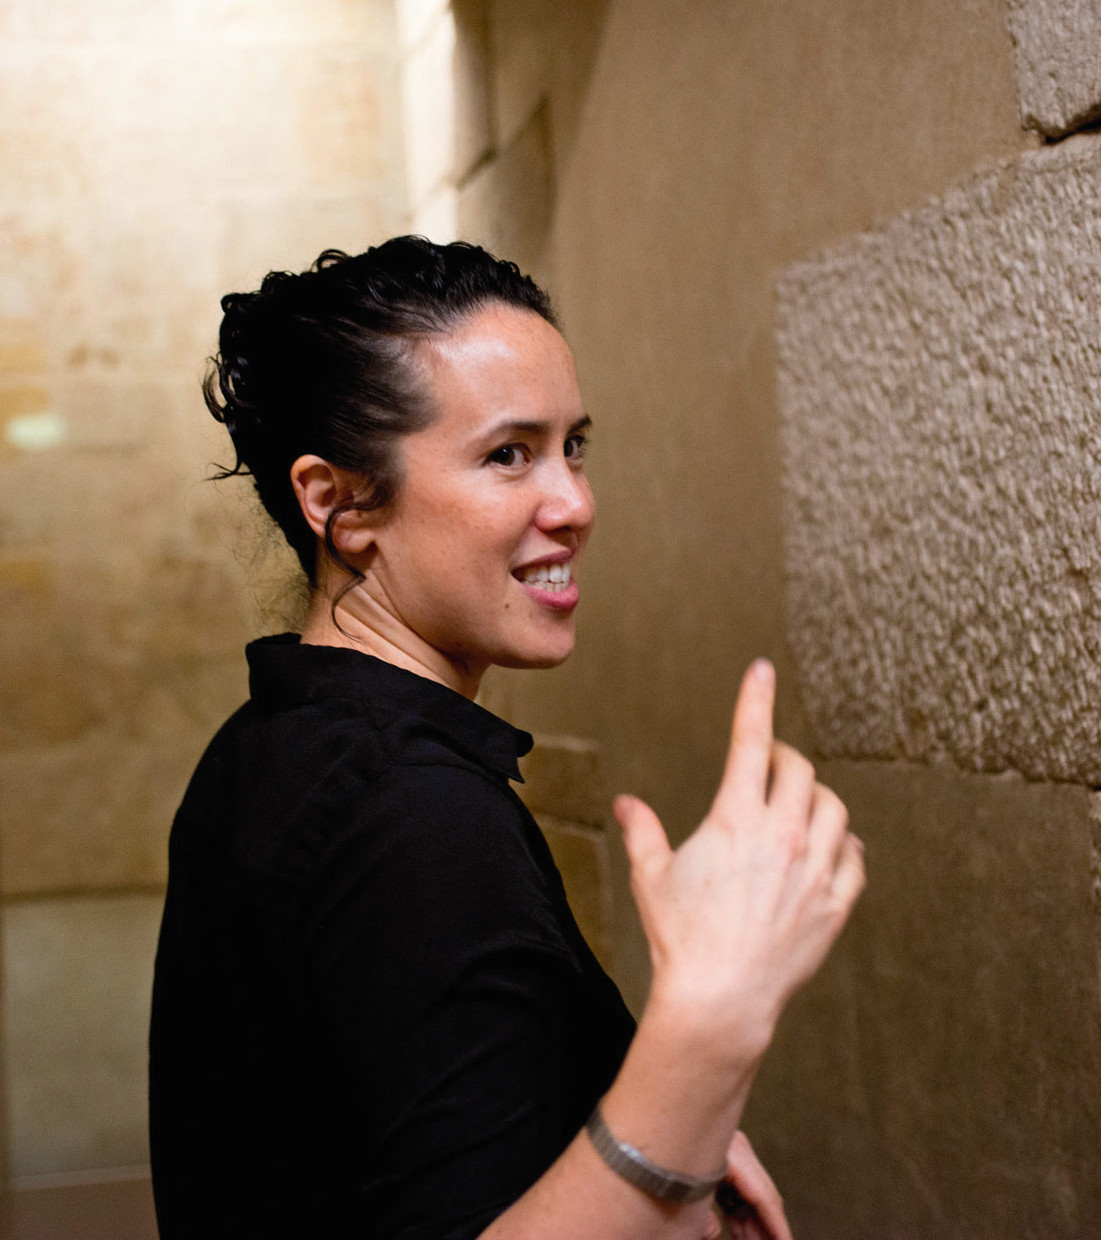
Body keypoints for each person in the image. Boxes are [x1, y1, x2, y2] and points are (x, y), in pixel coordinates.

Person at [148, 237, 865, 1240]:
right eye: (507, 454)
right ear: (341, 504)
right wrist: (707, 1022)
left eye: (574, 445)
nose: (574, 503)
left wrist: (669, 1149)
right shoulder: (413, 818)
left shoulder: (271, 744)